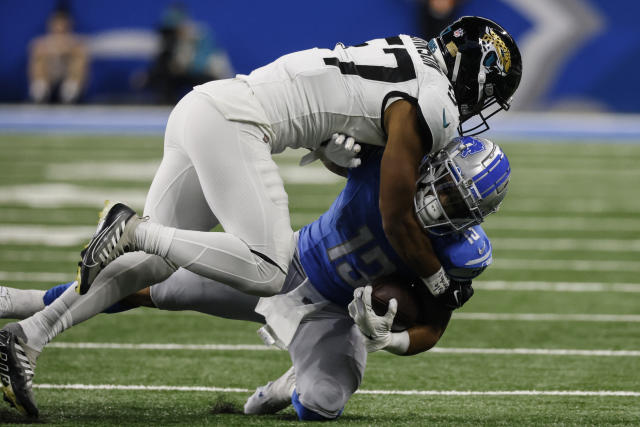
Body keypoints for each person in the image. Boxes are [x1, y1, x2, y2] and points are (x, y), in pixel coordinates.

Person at [1, 135, 511, 419]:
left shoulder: (459, 252)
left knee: (321, 404)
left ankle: (287, 383)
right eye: (443, 187)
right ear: (433, 168)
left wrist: (390, 338)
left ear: (476, 215)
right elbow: (344, 147)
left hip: (333, 317)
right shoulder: (391, 167)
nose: (439, 202)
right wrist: (335, 152)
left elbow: (435, 327)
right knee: (149, 287)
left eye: (456, 203)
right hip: (285, 266)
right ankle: (20, 303)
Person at [28, 7, 89, 104]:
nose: (59, 27)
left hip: (67, 74)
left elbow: (80, 49)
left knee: (79, 58)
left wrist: (64, 48)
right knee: (39, 57)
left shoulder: (77, 41)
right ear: (51, 25)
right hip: (50, 74)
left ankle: (71, 89)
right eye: (57, 24)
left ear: (68, 25)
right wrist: (54, 49)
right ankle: (40, 88)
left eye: (62, 24)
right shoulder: (41, 42)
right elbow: (37, 50)